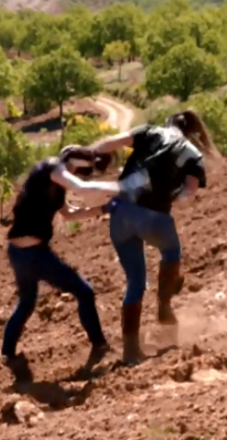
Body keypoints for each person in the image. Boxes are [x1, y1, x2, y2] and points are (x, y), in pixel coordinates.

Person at [84, 111, 217, 365]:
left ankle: (131, 351)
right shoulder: (193, 154)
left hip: (120, 215)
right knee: (171, 252)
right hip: (153, 216)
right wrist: (168, 196)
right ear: (193, 132)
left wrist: (86, 157)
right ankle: (164, 305)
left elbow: (110, 142)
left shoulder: (149, 132)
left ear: (168, 123)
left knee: (135, 281)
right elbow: (188, 194)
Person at [2, 145, 122, 380]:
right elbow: (82, 187)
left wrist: (102, 209)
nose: (80, 176)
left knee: (26, 303)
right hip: (35, 254)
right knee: (84, 292)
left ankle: (7, 353)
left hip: (18, 252)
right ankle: (99, 344)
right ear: (74, 164)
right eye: (81, 171)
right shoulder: (52, 168)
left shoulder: (54, 187)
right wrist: (122, 188)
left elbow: (70, 214)